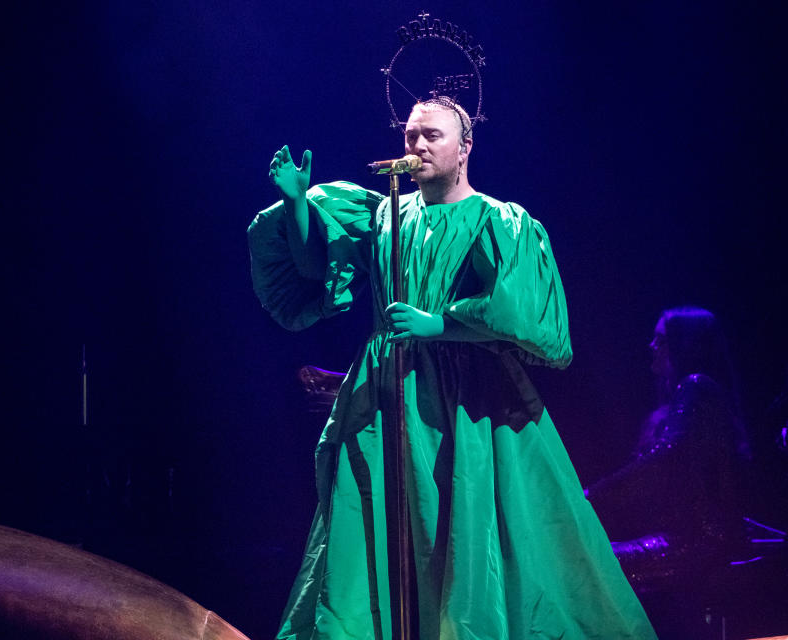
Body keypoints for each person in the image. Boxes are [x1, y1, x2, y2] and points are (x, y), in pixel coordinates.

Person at [248, 97, 656, 639]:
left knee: (465, 520)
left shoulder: (497, 220)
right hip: (388, 394)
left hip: (466, 400)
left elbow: (515, 310)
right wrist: (299, 205)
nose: (416, 145)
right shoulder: (384, 214)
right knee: (373, 525)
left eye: (431, 136)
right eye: (410, 134)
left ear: (465, 147)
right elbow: (315, 264)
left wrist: (440, 323)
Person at [586, 306, 751, 638]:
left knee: (594, 564)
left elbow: (662, 463)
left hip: (695, 542)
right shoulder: (687, 397)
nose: (651, 346)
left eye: (660, 340)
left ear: (684, 346)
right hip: (692, 539)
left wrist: (590, 497)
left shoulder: (696, 386)